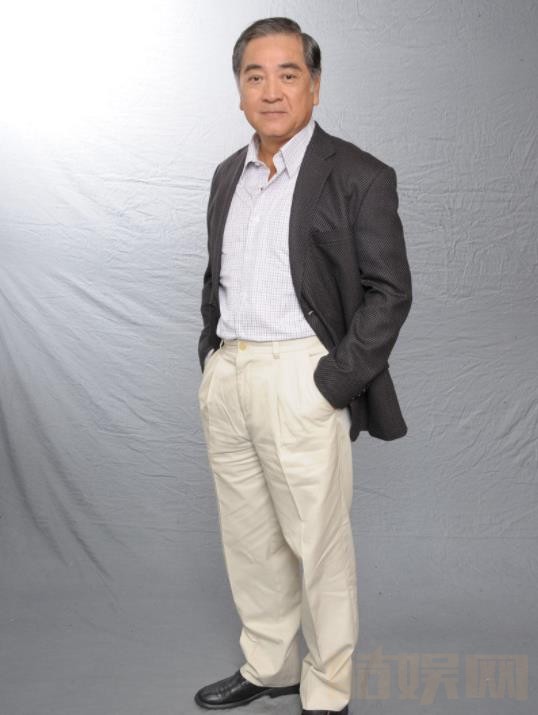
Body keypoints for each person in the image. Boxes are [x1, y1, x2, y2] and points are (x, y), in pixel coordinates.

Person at [194, 17, 412, 715]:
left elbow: (390, 292)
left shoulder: (359, 175)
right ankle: (270, 665)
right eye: (254, 76)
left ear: (314, 86)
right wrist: (212, 361)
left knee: (317, 545)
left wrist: (331, 383)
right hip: (230, 375)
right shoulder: (227, 175)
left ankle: (327, 689)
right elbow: (218, 276)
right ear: (238, 90)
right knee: (250, 540)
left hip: (302, 378)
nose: (271, 91)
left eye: (288, 74)